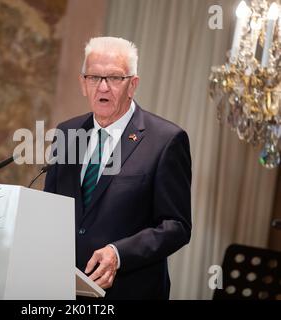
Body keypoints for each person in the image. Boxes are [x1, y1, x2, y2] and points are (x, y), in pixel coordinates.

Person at [44, 37, 192, 300]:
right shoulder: (66, 133)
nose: (102, 87)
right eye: (93, 77)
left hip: (130, 290)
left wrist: (118, 253)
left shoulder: (166, 140)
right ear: (82, 83)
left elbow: (176, 226)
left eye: (114, 78)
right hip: (62, 290)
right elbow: (51, 209)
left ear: (132, 84)